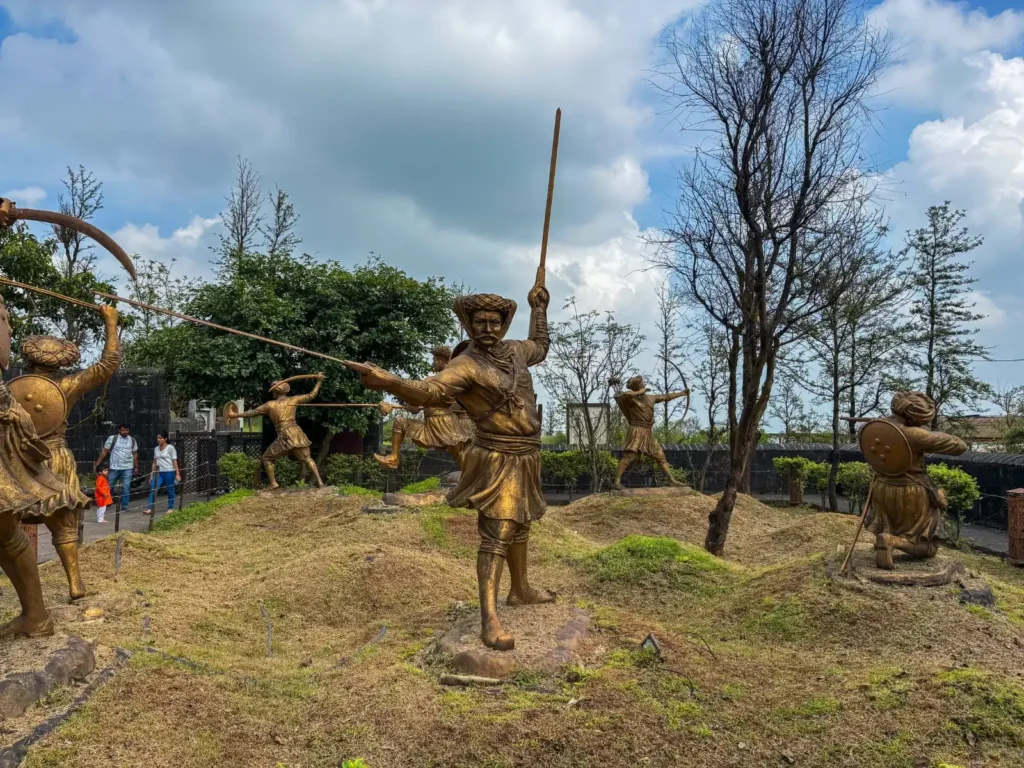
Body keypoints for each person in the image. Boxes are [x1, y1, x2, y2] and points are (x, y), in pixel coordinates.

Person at [348, 281, 553, 651]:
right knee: (497, 533)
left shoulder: (516, 350)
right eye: (480, 322)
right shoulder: (465, 365)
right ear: (469, 325)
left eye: (494, 322)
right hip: (497, 456)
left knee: (521, 523)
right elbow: (431, 391)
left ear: (504, 323)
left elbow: (540, 345)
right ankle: (489, 618)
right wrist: (391, 382)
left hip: (528, 453)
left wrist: (539, 308)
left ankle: (521, 589)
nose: (488, 328)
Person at [21, 303, 121, 600]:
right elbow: (107, 364)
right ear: (59, 364)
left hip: (17, 459)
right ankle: (75, 584)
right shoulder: (67, 386)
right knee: (64, 527)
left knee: (7, 525)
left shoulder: (12, 389)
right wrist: (111, 321)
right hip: (54, 459)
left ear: (28, 360)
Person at [0, 294, 65, 637]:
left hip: (38, 451)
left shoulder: (62, 386)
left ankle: (38, 616)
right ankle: (37, 616)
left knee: (10, 535)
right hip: (29, 446)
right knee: (8, 535)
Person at [865, 391, 968, 569]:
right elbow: (960, 446)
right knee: (927, 547)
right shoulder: (915, 435)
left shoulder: (872, 428)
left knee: (890, 524)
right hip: (911, 492)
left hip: (881, 488)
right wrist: (922, 432)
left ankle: (885, 541)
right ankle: (891, 541)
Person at [374, 345, 474, 471]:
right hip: (430, 423)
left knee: (461, 456)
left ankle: (476, 477)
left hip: (445, 422)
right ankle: (393, 458)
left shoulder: (450, 379)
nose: (433, 364)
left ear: (441, 360)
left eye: (434, 360)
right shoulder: (432, 380)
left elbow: (456, 401)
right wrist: (409, 406)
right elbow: (418, 402)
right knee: (400, 422)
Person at [233, 374, 326, 489]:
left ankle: (273, 483)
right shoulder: (293, 399)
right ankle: (319, 482)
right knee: (307, 458)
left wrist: (233, 415)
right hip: (296, 433)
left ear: (275, 392)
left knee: (266, 458)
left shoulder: (270, 404)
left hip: (284, 434)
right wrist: (319, 382)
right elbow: (312, 395)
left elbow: (250, 413)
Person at [612, 375, 688, 489]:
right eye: (641, 384)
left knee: (660, 456)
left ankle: (671, 480)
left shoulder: (651, 398)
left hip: (647, 432)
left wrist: (682, 393)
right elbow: (627, 394)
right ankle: (617, 482)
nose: (643, 385)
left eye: (643, 384)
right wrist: (640, 392)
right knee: (629, 457)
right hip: (636, 430)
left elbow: (666, 396)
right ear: (636, 387)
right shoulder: (630, 398)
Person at [94, 424, 139, 511]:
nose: (125, 432)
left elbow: (135, 453)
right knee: (109, 486)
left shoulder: (132, 440)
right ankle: (107, 503)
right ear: (119, 430)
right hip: (114, 467)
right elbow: (104, 451)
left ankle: (125, 506)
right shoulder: (113, 438)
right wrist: (98, 463)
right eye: (123, 430)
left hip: (128, 467)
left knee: (126, 487)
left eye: (126, 430)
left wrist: (136, 466)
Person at [145, 431, 180, 515]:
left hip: (169, 471)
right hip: (158, 472)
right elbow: (154, 461)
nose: (158, 440)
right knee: (153, 489)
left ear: (165, 439)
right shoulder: (156, 448)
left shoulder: (170, 448)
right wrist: (151, 474)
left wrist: (177, 473)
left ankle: (170, 507)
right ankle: (150, 508)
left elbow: (174, 461)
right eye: (157, 438)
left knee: (170, 489)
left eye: (160, 438)